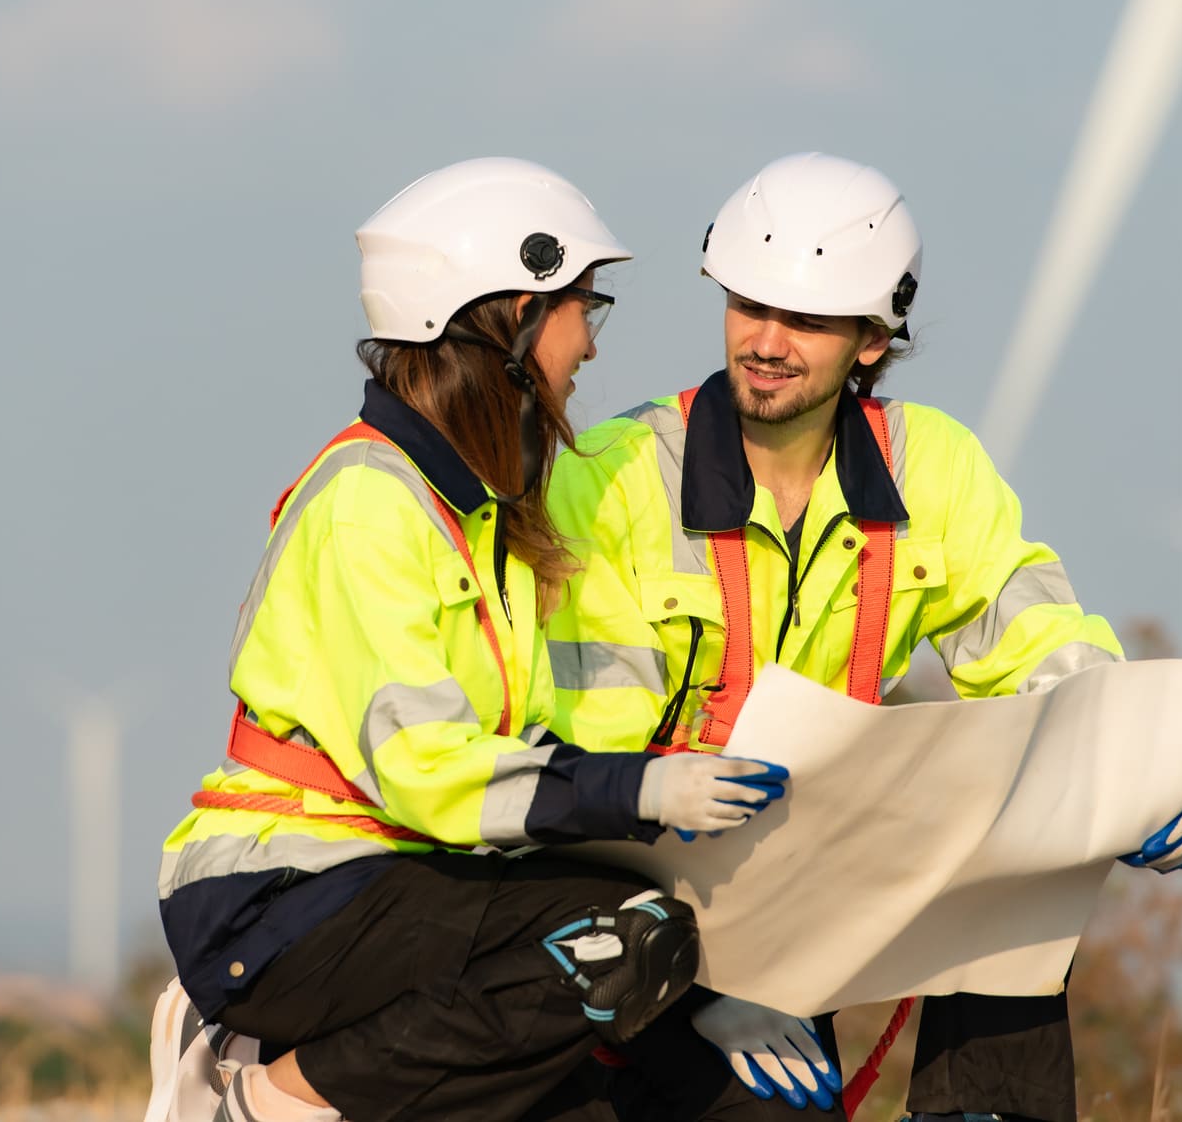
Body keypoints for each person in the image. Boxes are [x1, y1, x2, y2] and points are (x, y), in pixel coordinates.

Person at [542, 153, 1182, 1122]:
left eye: (806, 320)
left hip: (814, 891)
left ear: (871, 338)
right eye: (750, 307)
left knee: (1035, 821)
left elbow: (1040, 641)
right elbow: (592, 780)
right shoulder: (612, 478)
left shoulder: (933, 468)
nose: (767, 342)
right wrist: (692, 981)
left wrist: (1139, 766)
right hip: (647, 917)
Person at [154, 157, 792, 1122]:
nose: (587, 344)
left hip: (394, 875)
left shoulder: (475, 511)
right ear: (508, 319)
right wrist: (638, 788)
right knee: (627, 932)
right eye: (582, 305)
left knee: (624, 1000)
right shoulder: (371, 503)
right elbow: (423, 767)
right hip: (279, 892)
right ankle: (259, 1103)